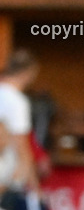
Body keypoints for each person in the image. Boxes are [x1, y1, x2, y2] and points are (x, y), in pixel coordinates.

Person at [0, 50, 40, 193]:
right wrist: (35, 185)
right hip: (6, 176)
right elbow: (21, 144)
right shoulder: (16, 101)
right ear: (28, 73)